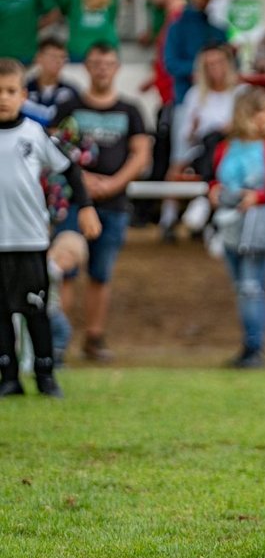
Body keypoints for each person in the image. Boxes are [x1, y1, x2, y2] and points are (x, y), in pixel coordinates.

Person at [0, 58, 100, 398]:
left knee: (35, 309)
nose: (3, 98)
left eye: (10, 91)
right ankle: (9, 377)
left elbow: (70, 169)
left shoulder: (33, 133)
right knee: (1, 313)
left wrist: (86, 207)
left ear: (23, 95)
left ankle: (45, 375)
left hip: (29, 239)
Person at [52, 43, 151, 362]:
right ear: (87, 67)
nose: (102, 69)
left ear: (117, 67)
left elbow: (140, 155)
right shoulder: (69, 106)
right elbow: (52, 149)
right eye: (96, 63)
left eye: (108, 63)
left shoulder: (131, 110)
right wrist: (82, 181)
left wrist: (112, 184)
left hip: (114, 205)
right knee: (63, 269)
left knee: (101, 273)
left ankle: (94, 338)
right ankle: (57, 340)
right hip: (72, 203)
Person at [208, 87, 265, 369]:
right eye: (264, 110)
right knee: (241, 287)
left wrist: (259, 197)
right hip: (229, 224)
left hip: (258, 227)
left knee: (251, 287)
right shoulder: (222, 144)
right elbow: (208, 175)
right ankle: (250, 345)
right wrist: (213, 189)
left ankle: (254, 349)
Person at [160, 43, 240, 241]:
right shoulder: (195, 94)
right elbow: (186, 136)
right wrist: (195, 128)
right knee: (205, 148)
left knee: (219, 146)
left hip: (234, 151)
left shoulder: (241, 93)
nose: (215, 68)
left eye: (219, 62)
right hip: (203, 151)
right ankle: (172, 218)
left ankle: (203, 204)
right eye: (209, 64)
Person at [165, 0, 228, 106]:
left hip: (218, 98)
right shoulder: (177, 28)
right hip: (186, 97)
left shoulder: (218, 31)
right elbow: (171, 63)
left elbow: (229, 64)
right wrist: (201, 69)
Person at [47, 230, 89, 368]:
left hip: (52, 308)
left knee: (60, 330)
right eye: (74, 262)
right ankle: (55, 360)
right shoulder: (51, 268)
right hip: (48, 310)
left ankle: (52, 357)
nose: (71, 267)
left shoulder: (55, 269)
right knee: (63, 329)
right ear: (66, 254)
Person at [23, 38, 78, 127]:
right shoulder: (24, 89)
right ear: (38, 58)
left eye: (63, 57)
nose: (58, 61)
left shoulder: (71, 92)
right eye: (53, 56)